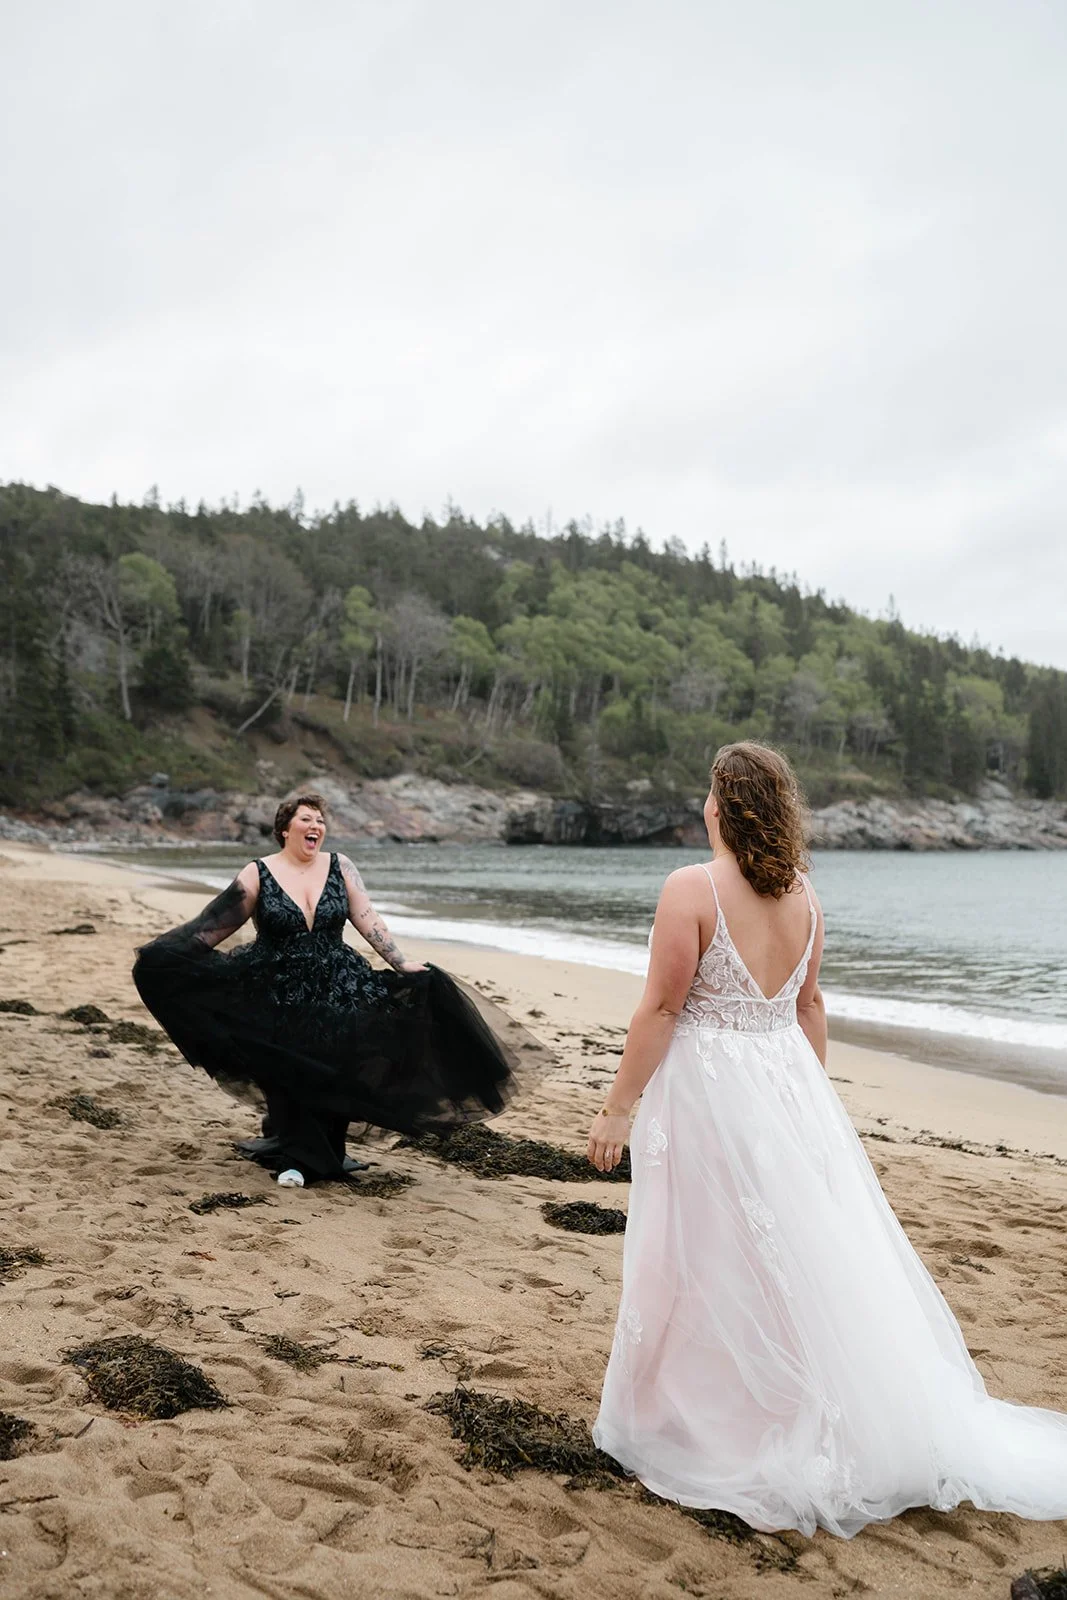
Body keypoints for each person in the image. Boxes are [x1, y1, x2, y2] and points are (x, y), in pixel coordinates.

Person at [588, 741, 1067, 1538]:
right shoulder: (803, 895)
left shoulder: (690, 887)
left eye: (708, 793)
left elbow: (663, 1009)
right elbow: (808, 1005)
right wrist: (807, 1104)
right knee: (782, 1254)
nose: (703, 804)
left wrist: (615, 1108)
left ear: (721, 804)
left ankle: (701, 1421)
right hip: (785, 1085)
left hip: (709, 1089)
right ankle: (765, 1403)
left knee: (700, 1248)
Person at [134, 791, 518, 1187]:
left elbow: (367, 917)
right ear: (285, 829)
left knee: (337, 1065)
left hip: (338, 981)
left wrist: (401, 963)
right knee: (293, 1069)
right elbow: (214, 925)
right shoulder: (258, 872)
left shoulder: (340, 866)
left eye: (319, 820)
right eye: (306, 819)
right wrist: (168, 955)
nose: (315, 826)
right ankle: (298, 1159)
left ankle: (319, 1152)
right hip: (276, 986)